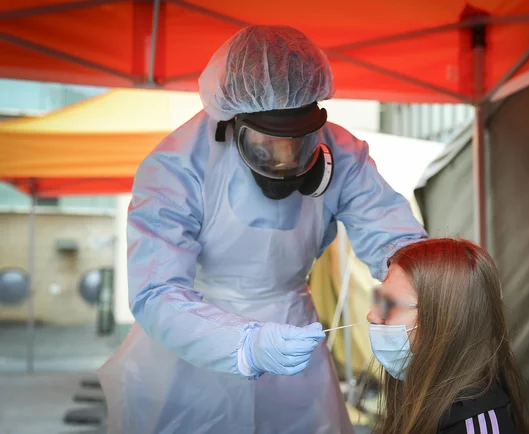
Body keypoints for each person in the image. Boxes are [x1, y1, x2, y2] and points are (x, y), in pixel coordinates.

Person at [97, 24, 427, 434]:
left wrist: (409, 305)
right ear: (233, 118)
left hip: (294, 335)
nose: (286, 161)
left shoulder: (341, 152)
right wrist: (243, 344)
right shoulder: (176, 166)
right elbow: (157, 292)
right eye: (266, 144)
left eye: (302, 142)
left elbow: (397, 241)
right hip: (191, 344)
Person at [366, 238, 529, 434]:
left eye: (389, 303)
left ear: (447, 320)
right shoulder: (420, 396)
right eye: (379, 298)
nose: (372, 315)